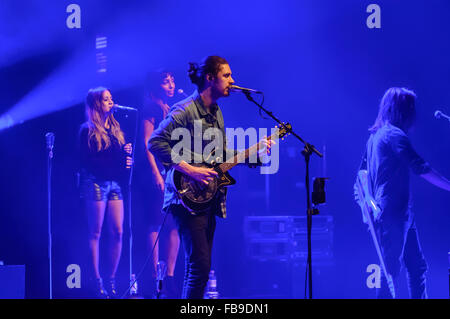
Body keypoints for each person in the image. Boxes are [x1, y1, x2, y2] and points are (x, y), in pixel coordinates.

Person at [149, 56, 273, 299]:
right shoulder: (185, 110)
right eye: (226, 75)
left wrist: (255, 154)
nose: (232, 80)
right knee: (201, 267)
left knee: (197, 268)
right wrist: (190, 169)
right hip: (183, 197)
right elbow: (155, 142)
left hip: (206, 197)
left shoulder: (216, 112)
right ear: (210, 78)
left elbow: (222, 155)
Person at [355, 87, 450, 298]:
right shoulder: (394, 135)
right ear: (403, 110)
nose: (415, 114)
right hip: (393, 213)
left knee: (416, 268)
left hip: (401, 212)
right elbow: (420, 167)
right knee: (390, 272)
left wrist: (369, 203)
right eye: (411, 108)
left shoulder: (376, 136)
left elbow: (360, 175)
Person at [78, 87, 133, 298]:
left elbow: (119, 162)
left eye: (111, 98)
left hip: (115, 185)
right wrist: (116, 163)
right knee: (96, 232)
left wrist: (127, 159)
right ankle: (96, 280)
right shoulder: (87, 130)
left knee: (118, 231)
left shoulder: (117, 130)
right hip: (96, 183)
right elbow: (88, 162)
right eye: (106, 99)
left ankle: (111, 279)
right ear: (96, 105)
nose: (111, 102)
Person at [133, 70, 180, 298]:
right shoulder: (150, 107)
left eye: (172, 80)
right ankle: (154, 276)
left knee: (175, 223)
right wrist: (155, 172)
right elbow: (147, 142)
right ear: (156, 85)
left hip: (173, 171)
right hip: (158, 172)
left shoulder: (169, 108)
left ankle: (169, 276)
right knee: (155, 222)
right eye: (166, 81)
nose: (171, 84)